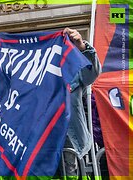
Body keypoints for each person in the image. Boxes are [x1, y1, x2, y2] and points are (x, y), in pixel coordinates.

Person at [60, 28, 101, 179]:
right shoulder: (35, 77)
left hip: (71, 143)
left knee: (72, 173)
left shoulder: (74, 74)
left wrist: (82, 47)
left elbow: (92, 71)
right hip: (42, 146)